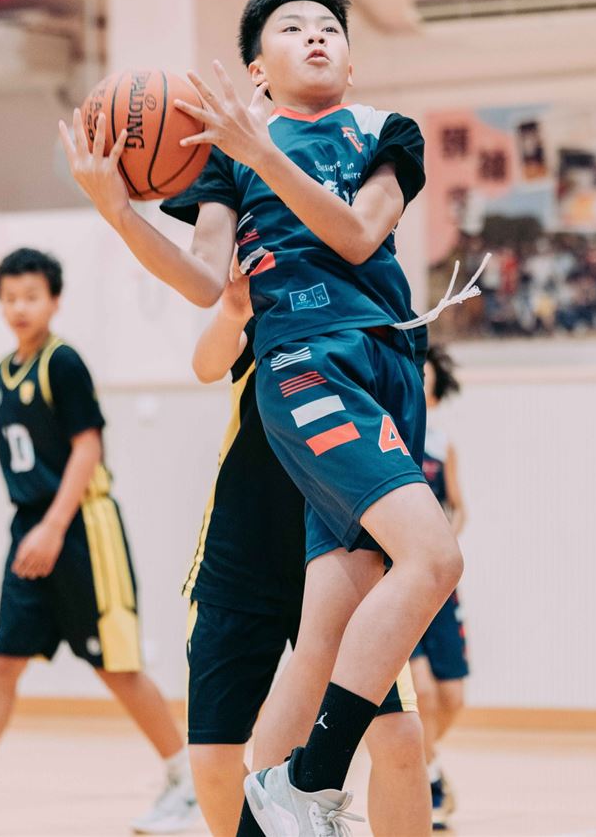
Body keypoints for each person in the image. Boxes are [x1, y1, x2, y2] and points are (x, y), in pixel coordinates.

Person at [60, 0, 472, 837]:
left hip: (391, 366)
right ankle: (310, 782)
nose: (315, 34)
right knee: (433, 559)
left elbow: (359, 233)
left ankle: (280, 804)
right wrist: (118, 212)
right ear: (254, 71)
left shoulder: (384, 132)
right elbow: (204, 280)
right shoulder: (227, 158)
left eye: (329, 26)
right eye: (291, 27)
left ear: (351, 64)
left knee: (326, 628)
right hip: (307, 364)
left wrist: (262, 154)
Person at [0, 247, 198, 837]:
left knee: (116, 666)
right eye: (10, 297)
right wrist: (36, 529)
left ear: (54, 300)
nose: (20, 307)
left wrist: (55, 527)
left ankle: (185, 780)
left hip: (81, 528)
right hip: (30, 529)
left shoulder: (63, 363)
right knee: (2, 662)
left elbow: (89, 447)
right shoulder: (0, 375)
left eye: (31, 296)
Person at [184, 263, 429, 836]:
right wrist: (231, 312)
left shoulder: (373, 322)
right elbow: (206, 365)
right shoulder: (273, 312)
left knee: (398, 737)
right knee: (215, 759)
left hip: (341, 553)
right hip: (241, 555)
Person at [410, 345, 469, 832]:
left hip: (441, 587)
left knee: (452, 696)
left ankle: (428, 758)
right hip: (400, 581)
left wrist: (446, 538)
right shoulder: (392, 433)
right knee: (423, 693)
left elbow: (459, 506)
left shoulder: (442, 442)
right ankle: (425, 777)